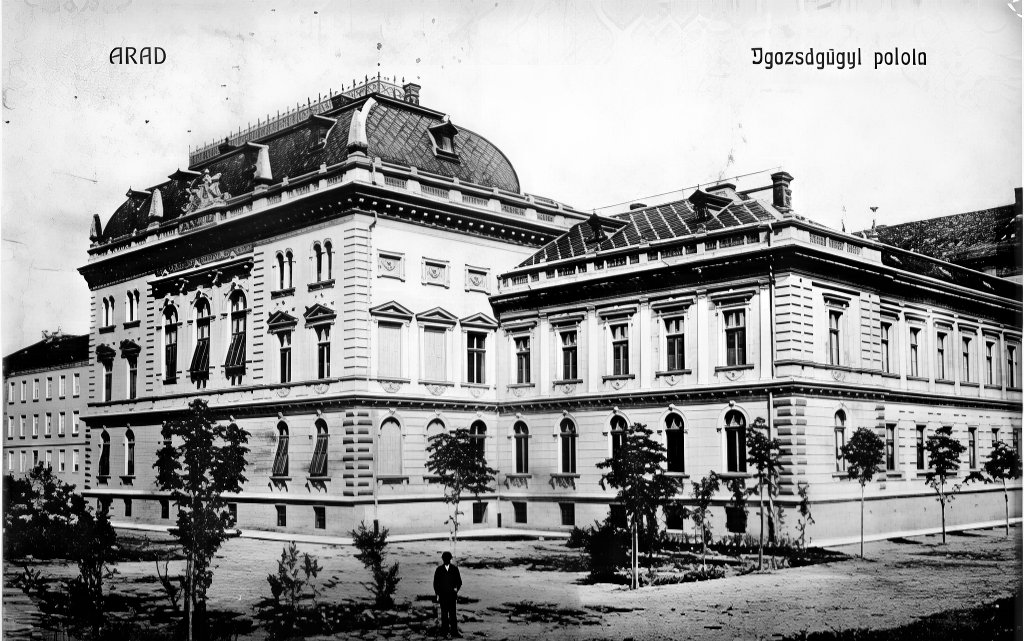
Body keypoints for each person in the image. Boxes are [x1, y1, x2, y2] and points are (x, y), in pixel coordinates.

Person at [433, 550, 463, 637]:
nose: (446, 560)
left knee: (453, 615)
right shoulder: (439, 570)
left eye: (448, 558)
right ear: (443, 559)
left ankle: (454, 632)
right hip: (443, 596)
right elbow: (435, 583)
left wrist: (456, 590)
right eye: (445, 558)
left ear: (450, 559)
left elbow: (459, 582)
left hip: (452, 596)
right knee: (444, 615)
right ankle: (444, 632)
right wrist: (438, 593)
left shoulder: (454, 569)